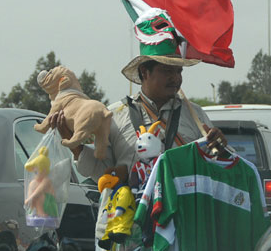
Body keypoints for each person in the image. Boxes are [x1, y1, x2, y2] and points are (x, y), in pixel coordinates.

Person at [51, 48, 227, 182]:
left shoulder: (194, 114)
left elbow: (217, 168)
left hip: (183, 221)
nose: (176, 78)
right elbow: (102, 172)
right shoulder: (113, 115)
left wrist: (220, 149)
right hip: (130, 221)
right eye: (167, 71)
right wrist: (73, 145)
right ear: (145, 71)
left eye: (178, 71)